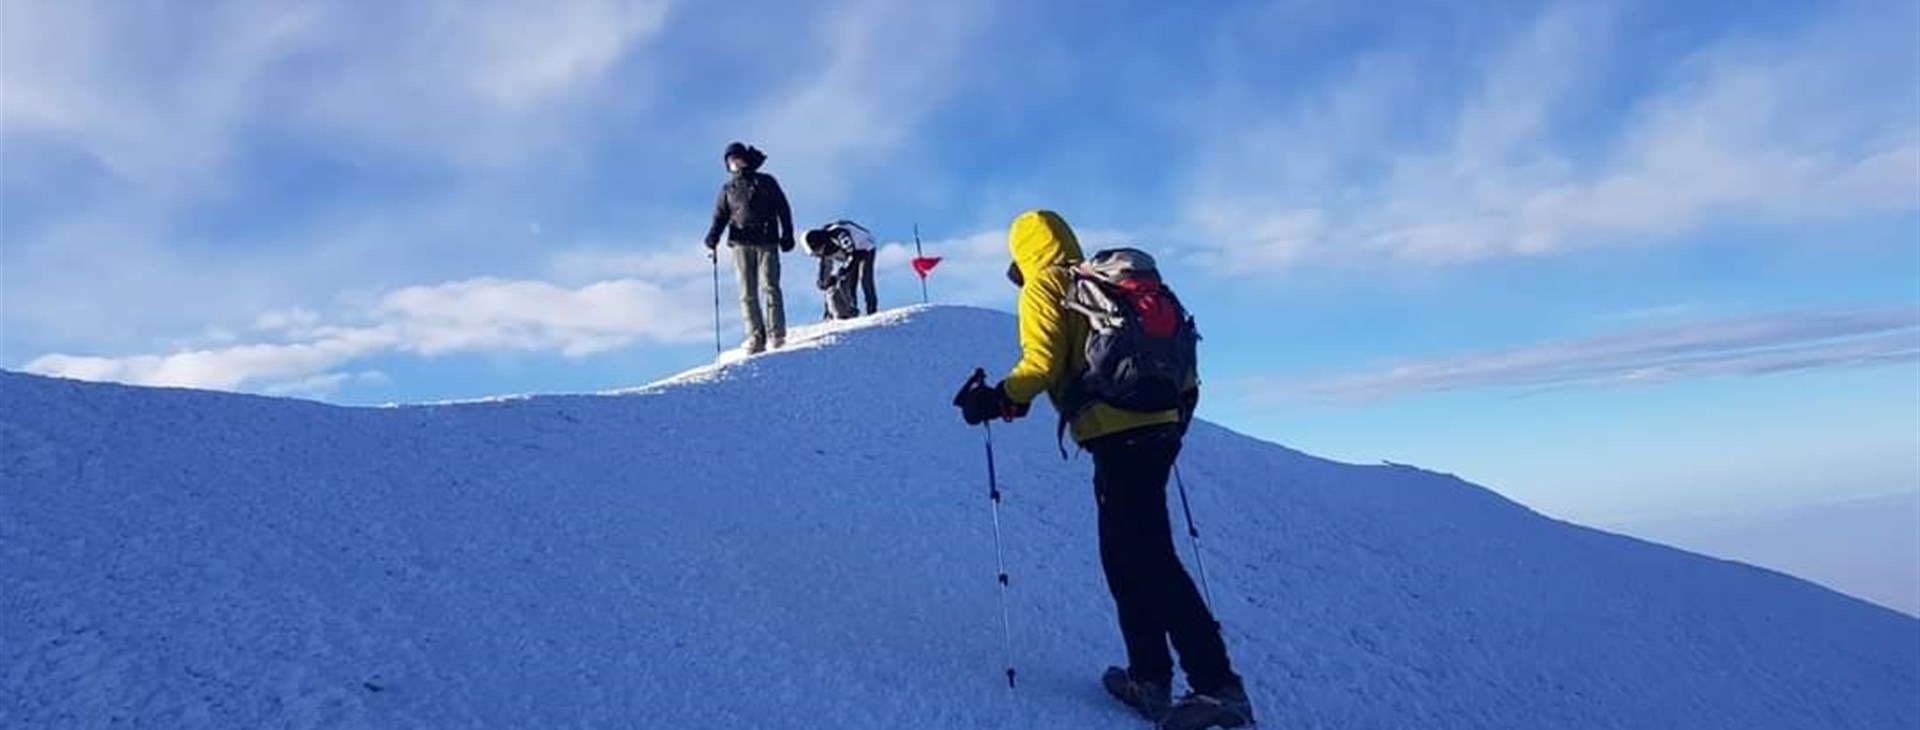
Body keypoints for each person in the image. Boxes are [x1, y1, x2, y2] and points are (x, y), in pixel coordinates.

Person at [954, 210, 1254, 730]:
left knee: (1148, 557)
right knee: (1125, 556)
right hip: (1160, 427)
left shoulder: (1046, 285)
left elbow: (1041, 365)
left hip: (1116, 433)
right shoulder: (1108, 284)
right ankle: (1149, 677)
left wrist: (996, 398)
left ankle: (1217, 686)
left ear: (1023, 249)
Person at [704, 141, 795, 354]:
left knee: (770, 286)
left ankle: (776, 334)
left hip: (767, 240)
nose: (734, 162)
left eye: (737, 157)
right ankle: (755, 336)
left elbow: (783, 208)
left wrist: (787, 233)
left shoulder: (766, 181)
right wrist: (713, 236)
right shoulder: (728, 189)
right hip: (740, 243)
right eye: (730, 160)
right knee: (747, 292)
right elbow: (720, 217)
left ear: (745, 158)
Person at [803, 219, 878, 319]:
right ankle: (851, 311)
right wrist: (823, 282)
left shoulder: (839, 235)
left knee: (865, 278)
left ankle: (871, 310)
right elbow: (825, 268)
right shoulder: (824, 248)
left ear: (820, 243)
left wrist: (842, 271)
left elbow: (852, 255)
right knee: (849, 282)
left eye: (817, 251)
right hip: (850, 253)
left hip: (866, 247)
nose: (818, 254)